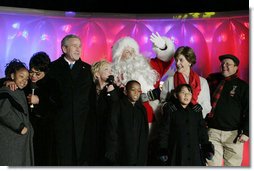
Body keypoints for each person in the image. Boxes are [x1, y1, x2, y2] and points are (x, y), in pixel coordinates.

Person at [47, 34, 97, 165]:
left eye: (80, 46)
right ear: (64, 49)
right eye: (74, 46)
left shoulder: (88, 69)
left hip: (83, 125)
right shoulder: (52, 68)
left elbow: (92, 98)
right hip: (61, 125)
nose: (78, 49)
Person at [111, 32, 175, 128]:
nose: (132, 53)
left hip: (155, 115)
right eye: (127, 51)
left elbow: (165, 62)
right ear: (119, 55)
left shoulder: (148, 65)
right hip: (132, 119)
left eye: (133, 50)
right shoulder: (116, 74)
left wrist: (163, 47)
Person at [205, 54, 249, 166]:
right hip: (212, 132)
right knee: (211, 166)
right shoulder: (212, 81)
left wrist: (247, 131)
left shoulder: (243, 87)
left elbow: (250, 110)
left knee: (233, 166)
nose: (224, 66)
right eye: (222, 64)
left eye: (228, 64)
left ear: (236, 67)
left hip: (233, 135)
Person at [158, 84, 214, 166]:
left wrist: (207, 148)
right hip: (177, 151)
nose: (186, 95)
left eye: (189, 93)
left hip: (194, 153)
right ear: (176, 95)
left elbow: (202, 131)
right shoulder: (171, 110)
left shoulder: (196, 111)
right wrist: (163, 150)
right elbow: (164, 132)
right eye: (183, 92)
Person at [25, 51, 57, 166]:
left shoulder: (52, 84)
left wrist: (39, 100)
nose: (33, 76)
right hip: (28, 128)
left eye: (37, 74)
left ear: (45, 72)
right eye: (31, 72)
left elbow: (57, 105)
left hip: (46, 130)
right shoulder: (25, 82)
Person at [105, 80, 149, 166]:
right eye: (133, 90)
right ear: (126, 91)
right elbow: (112, 129)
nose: (136, 93)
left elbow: (145, 132)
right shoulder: (118, 106)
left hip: (139, 154)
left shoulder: (141, 109)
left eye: (139, 90)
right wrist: (112, 150)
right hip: (122, 152)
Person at [160, 46, 211, 118]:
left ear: (189, 62)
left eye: (181, 60)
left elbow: (207, 105)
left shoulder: (203, 82)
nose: (177, 63)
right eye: (176, 60)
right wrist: (166, 105)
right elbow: (162, 102)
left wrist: (201, 109)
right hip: (175, 123)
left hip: (195, 123)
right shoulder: (169, 80)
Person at [0, 59, 34, 165]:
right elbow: (4, 112)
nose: (24, 80)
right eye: (21, 76)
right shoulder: (6, 90)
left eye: (27, 78)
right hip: (11, 140)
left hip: (18, 140)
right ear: (13, 76)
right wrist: (20, 127)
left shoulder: (20, 91)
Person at [91, 59, 121, 165]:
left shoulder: (114, 89)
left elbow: (116, 109)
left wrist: (112, 91)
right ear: (97, 73)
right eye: (106, 69)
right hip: (93, 133)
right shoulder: (90, 90)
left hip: (108, 133)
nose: (110, 72)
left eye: (111, 69)